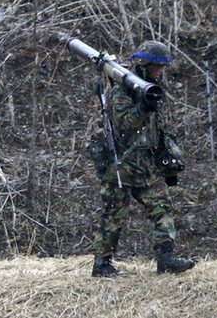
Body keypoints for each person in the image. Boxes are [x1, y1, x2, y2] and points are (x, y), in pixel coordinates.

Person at [87, 40, 195, 277]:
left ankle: (166, 259)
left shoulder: (152, 88)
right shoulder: (120, 91)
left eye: (163, 67)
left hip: (146, 166)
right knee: (114, 215)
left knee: (162, 209)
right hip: (121, 166)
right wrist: (143, 108)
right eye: (156, 66)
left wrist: (169, 162)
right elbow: (125, 124)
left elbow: (160, 130)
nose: (160, 71)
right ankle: (102, 265)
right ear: (144, 65)